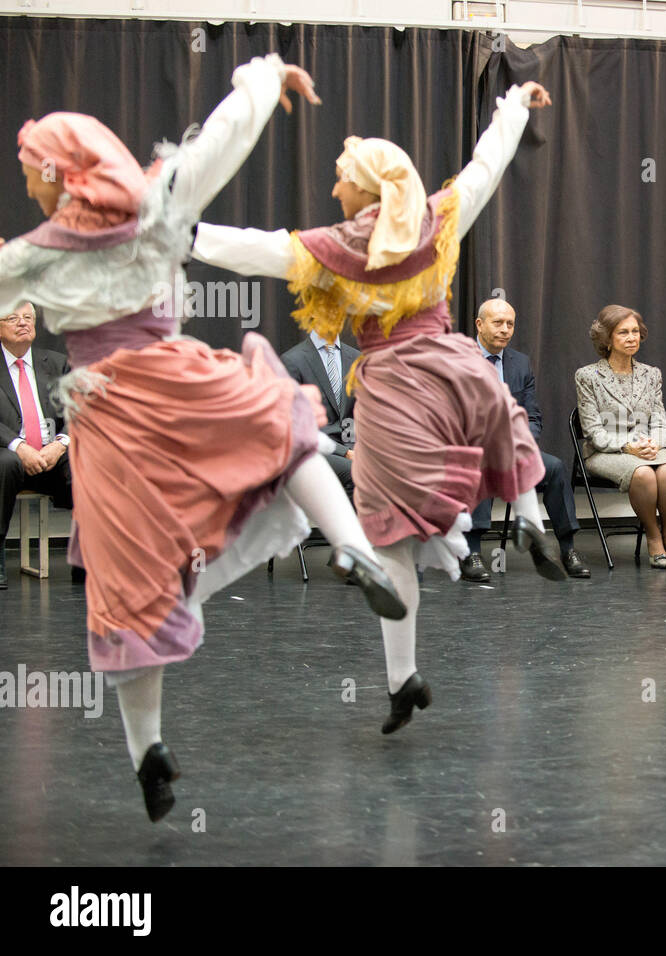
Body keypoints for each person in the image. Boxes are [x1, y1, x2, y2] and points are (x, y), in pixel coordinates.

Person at [0, 55, 408, 823]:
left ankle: (146, 749)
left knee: (127, 584)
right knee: (280, 427)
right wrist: (263, 79)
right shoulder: (158, 204)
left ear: (57, 175)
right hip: (175, 377)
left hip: (110, 419)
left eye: (30, 172)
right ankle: (350, 542)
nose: (25, 185)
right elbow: (222, 141)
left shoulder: (35, 255)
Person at [192, 79, 562, 737]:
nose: (335, 191)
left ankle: (403, 671)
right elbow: (486, 168)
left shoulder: (336, 250)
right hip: (450, 368)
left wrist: (183, 232)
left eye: (342, 181)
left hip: (393, 387)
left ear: (368, 188)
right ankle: (511, 525)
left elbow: (257, 250)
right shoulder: (439, 220)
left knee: (388, 537)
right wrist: (510, 107)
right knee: (502, 419)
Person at [463, 297, 589, 580]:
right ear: (479, 325)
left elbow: (532, 416)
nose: (505, 329)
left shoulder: (520, 363)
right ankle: (471, 551)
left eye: (510, 324)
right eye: (498, 323)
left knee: (554, 467)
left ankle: (568, 549)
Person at [575, 304, 666, 567]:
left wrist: (654, 443)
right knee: (644, 473)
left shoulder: (651, 374)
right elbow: (593, 432)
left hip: (647, 446)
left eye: (635, 331)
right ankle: (653, 536)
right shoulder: (587, 376)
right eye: (623, 332)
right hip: (605, 452)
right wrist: (627, 447)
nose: (632, 337)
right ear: (607, 339)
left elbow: (659, 419)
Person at [0, 300, 74, 588]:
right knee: (3, 464)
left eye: (28, 317)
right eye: (13, 318)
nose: (23, 322)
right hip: (9, 455)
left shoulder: (56, 364)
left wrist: (60, 444)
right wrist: (18, 446)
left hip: (52, 454)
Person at [281, 329, 360, 498]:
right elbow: (292, 424)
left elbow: (362, 412)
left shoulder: (356, 358)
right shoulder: (293, 360)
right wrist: (344, 452)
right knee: (355, 473)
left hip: (354, 446)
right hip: (315, 449)